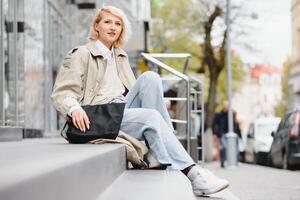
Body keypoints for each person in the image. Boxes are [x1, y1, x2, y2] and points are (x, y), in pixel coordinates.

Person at [51, 6, 229, 196]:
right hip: (97, 116)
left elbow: (135, 91)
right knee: (150, 116)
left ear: (121, 29)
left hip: (121, 111)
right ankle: (193, 173)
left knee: (151, 78)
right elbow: (62, 92)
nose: (113, 27)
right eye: (107, 22)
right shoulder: (81, 53)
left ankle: (157, 150)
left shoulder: (120, 56)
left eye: (117, 24)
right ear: (97, 26)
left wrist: (158, 101)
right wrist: (74, 108)